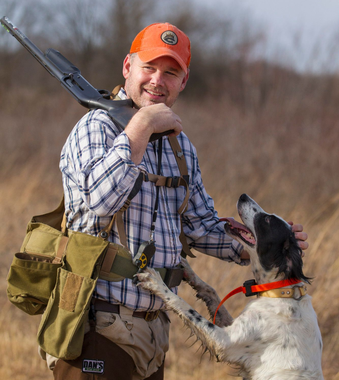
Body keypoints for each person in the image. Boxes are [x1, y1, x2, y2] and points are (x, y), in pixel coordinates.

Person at [43, 22, 308, 379]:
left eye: (170, 72)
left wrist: (268, 246)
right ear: (127, 67)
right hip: (96, 324)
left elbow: (202, 228)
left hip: (154, 332)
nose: (157, 80)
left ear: (183, 82)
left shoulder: (179, 146)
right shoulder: (96, 127)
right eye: (149, 67)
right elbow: (100, 201)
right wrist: (140, 128)